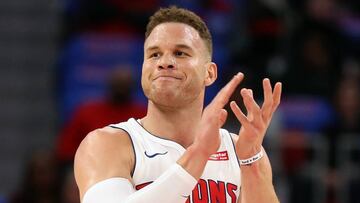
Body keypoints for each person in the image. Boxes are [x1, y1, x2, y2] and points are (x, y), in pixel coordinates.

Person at [74, 6, 282, 203]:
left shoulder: (241, 152)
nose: (164, 62)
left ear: (209, 73)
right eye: (154, 54)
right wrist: (198, 154)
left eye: (180, 53)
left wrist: (251, 162)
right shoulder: (107, 144)